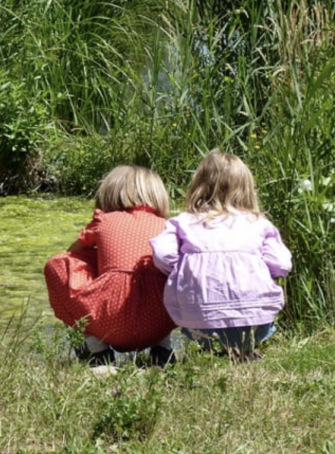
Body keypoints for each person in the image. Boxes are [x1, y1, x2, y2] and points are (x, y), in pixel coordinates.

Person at [150, 150, 292, 361]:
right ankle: (244, 349)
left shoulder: (184, 222)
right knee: (251, 327)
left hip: (199, 323)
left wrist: (184, 269)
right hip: (256, 322)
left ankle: (218, 350)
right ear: (247, 188)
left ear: (198, 186)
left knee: (205, 332)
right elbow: (281, 264)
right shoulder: (259, 223)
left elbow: (162, 254)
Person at [44, 165, 176, 367]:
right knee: (168, 271)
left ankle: (97, 351)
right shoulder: (168, 227)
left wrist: (98, 257)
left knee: (59, 264)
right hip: (158, 322)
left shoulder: (103, 220)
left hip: (110, 323)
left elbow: (71, 254)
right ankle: (163, 348)